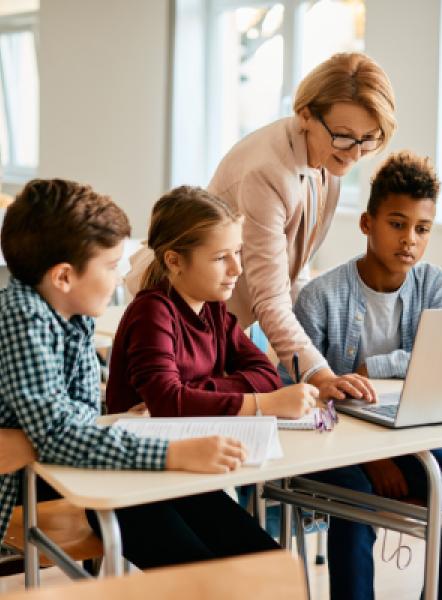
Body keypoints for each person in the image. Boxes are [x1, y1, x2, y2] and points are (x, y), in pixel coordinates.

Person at [0, 179, 278, 569]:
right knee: (203, 576)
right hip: (56, 488)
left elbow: (80, 422)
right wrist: (173, 450)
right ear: (64, 277)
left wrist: (52, 437)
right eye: (112, 267)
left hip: (98, 469)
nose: (119, 281)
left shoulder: (74, 317)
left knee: (268, 562)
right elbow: (62, 435)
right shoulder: (23, 316)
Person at [127, 52, 396, 403]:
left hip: (222, 320)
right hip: (180, 311)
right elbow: (271, 296)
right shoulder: (267, 172)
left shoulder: (330, 160)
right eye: (345, 136)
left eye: (369, 138)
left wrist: (322, 363)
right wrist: (319, 373)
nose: (356, 153)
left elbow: (293, 276)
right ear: (305, 115)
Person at [293, 152, 442, 600]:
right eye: (397, 224)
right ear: (367, 223)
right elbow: (306, 397)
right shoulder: (320, 297)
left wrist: (372, 368)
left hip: (408, 440)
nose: (410, 240)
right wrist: (371, 458)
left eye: (422, 229)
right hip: (333, 448)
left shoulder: (434, 285)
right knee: (356, 500)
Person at [107, 185, 318, 419]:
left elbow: (267, 376)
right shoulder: (151, 312)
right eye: (220, 258)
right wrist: (263, 404)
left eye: (237, 252)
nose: (237, 269)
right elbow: (168, 403)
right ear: (174, 261)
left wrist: (188, 396)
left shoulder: (213, 309)